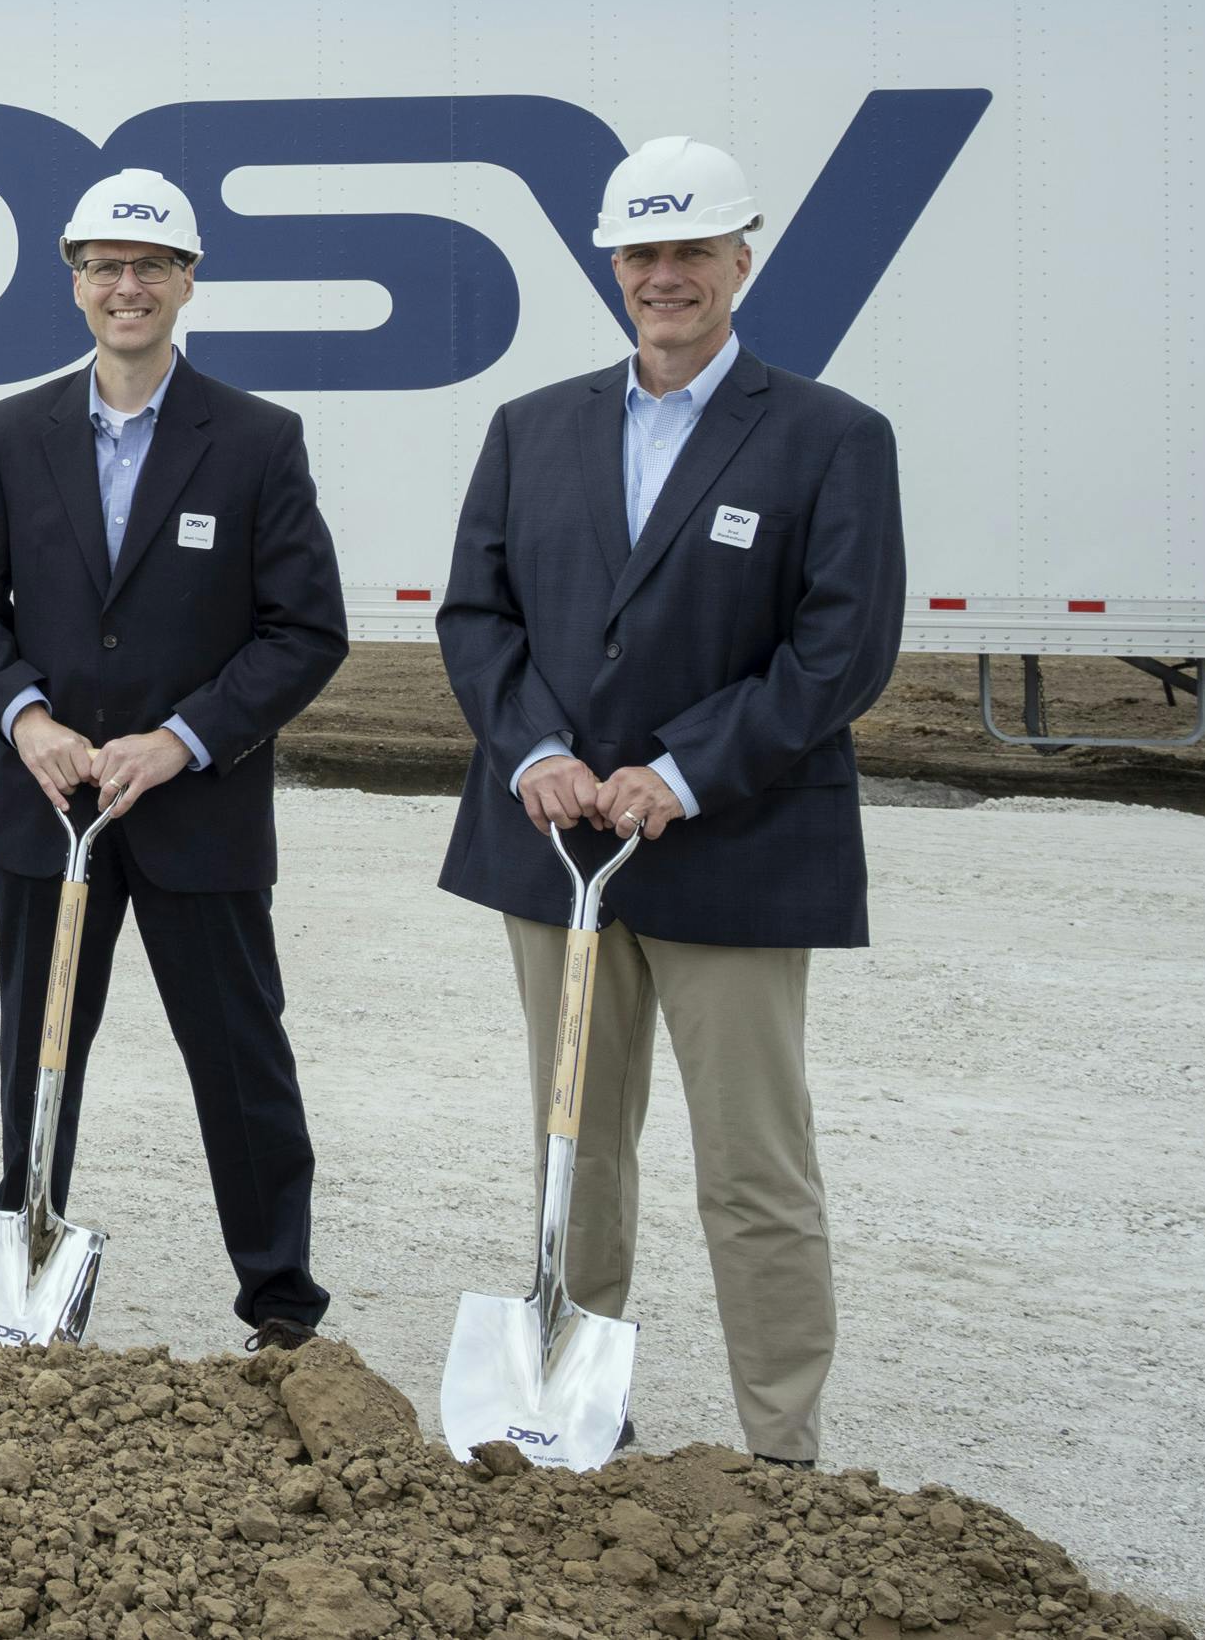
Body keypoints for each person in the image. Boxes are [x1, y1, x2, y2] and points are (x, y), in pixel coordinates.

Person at [437, 134, 905, 1469]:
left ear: (740, 260)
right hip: (560, 848)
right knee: (574, 1148)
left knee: (754, 1168)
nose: (665, 276)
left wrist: (685, 770)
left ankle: (782, 1448)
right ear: (613, 265)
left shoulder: (829, 437)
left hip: (735, 849)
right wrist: (535, 752)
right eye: (641, 253)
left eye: (691, 250)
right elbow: (478, 616)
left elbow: (842, 650)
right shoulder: (532, 428)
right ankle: (572, 1412)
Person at [0, 168, 350, 1346]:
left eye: (151, 266)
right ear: (75, 284)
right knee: (39, 1052)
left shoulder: (258, 441)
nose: (128, 286)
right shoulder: (14, 433)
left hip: (195, 815)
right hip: (50, 807)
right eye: (106, 267)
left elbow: (305, 630)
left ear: (187, 282)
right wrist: (29, 721)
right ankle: (22, 1260)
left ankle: (281, 1306)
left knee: (241, 1062)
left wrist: (182, 741)